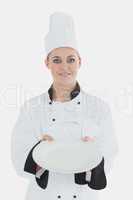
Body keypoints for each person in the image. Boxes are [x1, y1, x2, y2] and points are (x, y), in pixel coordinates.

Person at [11, 12, 118, 200]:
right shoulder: (30, 108)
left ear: (80, 62)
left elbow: (109, 154)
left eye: (70, 59)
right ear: (47, 63)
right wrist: (39, 151)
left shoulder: (99, 108)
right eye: (56, 60)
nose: (64, 67)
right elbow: (18, 157)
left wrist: (92, 156)